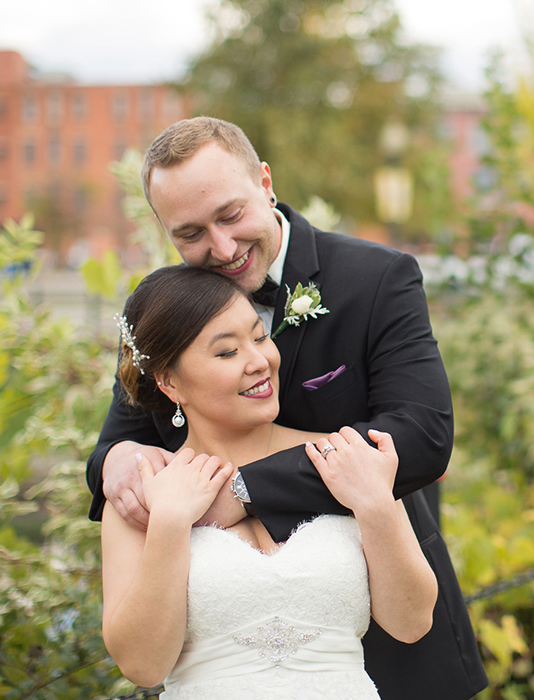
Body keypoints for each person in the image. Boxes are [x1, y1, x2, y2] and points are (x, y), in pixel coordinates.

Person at [86, 117, 487, 699]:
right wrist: (116, 458)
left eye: (230, 216)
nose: (221, 249)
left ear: (265, 182)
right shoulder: (164, 309)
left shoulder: (377, 279)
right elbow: (126, 430)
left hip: (382, 632)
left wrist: (245, 488)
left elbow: (422, 435)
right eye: (191, 233)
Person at [102, 265, 437, 698]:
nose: (260, 362)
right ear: (169, 382)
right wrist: (169, 524)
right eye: (226, 353)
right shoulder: (146, 492)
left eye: (259, 337)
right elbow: (142, 666)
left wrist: (375, 506)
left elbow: (412, 622)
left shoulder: (345, 458)